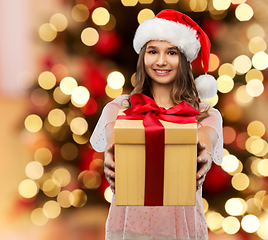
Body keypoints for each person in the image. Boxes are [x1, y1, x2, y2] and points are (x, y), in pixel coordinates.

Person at [90, 9, 223, 240]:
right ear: (143, 56)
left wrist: (204, 154)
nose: (161, 61)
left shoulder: (205, 115)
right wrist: (112, 152)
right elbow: (114, 137)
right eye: (153, 51)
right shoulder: (119, 108)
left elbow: (206, 140)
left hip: (181, 228)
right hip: (131, 226)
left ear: (183, 58)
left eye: (171, 52)